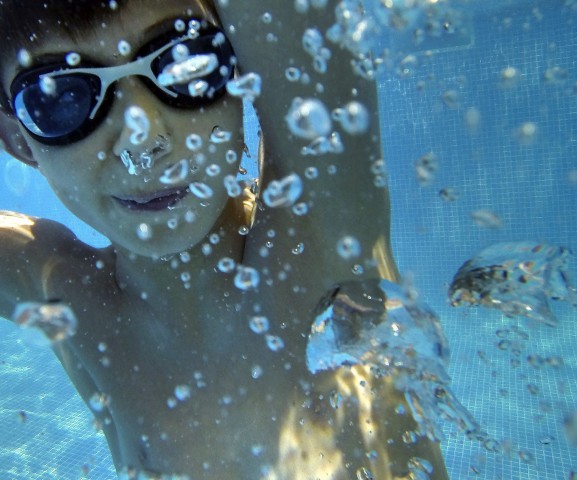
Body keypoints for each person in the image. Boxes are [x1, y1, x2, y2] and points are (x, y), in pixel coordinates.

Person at [0, 0, 449, 478]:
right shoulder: (66, 295)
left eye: (185, 63)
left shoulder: (319, 234)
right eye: (60, 98)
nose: (141, 141)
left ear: (241, 72)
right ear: (18, 139)